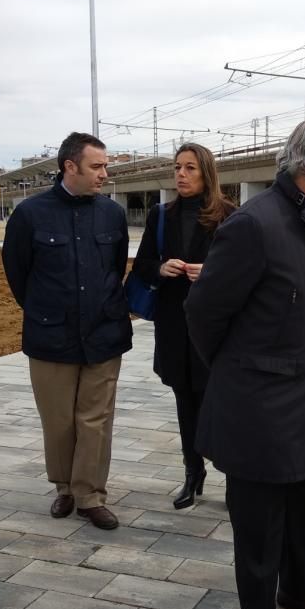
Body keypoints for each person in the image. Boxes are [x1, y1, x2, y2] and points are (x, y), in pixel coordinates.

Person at [185, 119, 305, 609]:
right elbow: (204, 312)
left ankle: (300, 590)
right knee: (258, 522)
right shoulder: (256, 223)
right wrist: (241, 374)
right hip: (260, 405)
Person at [2, 132, 132, 531]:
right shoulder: (29, 215)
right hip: (50, 336)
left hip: (104, 333)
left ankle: (91, 495)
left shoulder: (112, 214)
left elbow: (115, 266)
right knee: (58, 420)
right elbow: (18, 273)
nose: (104, 174)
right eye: (97, 166)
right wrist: (46, 311)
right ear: (69, 167)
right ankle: (65, 488)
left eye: (106, 166)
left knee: (95, 419)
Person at [132, 143, 235, 508]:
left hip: (215, 331)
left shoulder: (230, 215)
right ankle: (193, 472)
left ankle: (231, 475)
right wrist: (160, 268)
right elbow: (142, 263)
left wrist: (212, 273)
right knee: (185, 404)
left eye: (190, 168)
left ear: (206, 173)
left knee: (220, 405)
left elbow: (246, 271)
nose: (181, 174)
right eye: (178, 167)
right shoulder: (162, 214)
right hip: (175, 326)